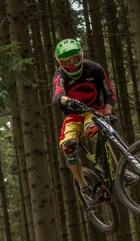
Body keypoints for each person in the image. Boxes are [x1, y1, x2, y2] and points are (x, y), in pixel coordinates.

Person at [52, 38, 124, 206]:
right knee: (67, 147)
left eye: (75, 59)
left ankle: (119, 171)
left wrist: (108, 110)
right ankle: (84, 187)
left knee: (93, 130)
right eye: (66, 62)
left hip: (94, 110)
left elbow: (109, 92)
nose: (72, 65)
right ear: (60, 62)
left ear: (81, 55)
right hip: (72, 117)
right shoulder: (60, 74)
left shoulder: (94, 68)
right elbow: (56, 95)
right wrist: (66, 100)